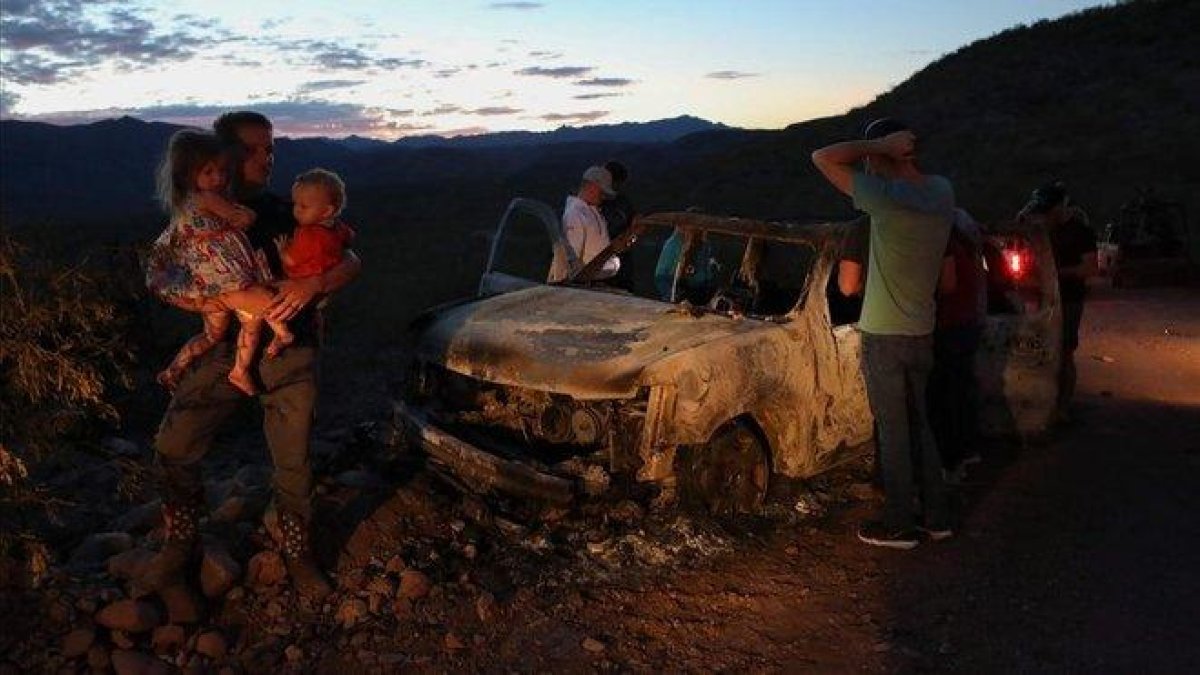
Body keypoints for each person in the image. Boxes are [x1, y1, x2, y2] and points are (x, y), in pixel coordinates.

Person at [140, 111, 361, 601]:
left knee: (294, 459)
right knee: (175, 445)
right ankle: (180, 545)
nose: (267, 158)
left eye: (271, 150)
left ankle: (298, 552)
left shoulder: (290, 210)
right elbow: (159, 274)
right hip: (226, 351)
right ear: (222, 158)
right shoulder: (197, 216)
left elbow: (351, 259)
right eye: (255, 150)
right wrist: (207, 302)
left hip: (290, 349)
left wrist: (315, 283)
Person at [811, 117, 956, 549]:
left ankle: (898, 522)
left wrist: (877, 145)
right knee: (921, 423)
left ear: (882, 158)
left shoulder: (886, 201)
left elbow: (821, 157)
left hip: (884, 333)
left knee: (892, 428)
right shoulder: (942, 191)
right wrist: (890, 150)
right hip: (921, 329)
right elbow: (947, 282)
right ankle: (937, 515)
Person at [145, 129, 293, 397]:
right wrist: (244, 212)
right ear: (188, 174)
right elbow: (241, 219)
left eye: (222, 171)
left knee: (212, 335)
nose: (218, 178)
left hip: (208, 280)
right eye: (209, 172)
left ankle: (174, 369)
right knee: (253, 315)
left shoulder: (187, 201)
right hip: (225, 274)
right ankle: (250, 361)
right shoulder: (206, 197)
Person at [1019, 181, 1097, 421]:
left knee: (1064, 351)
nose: (1046, 216)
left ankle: (1062, 406)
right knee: (1042, 350)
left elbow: (1089, 268)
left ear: (1061, 208)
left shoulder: (1080, 231)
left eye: (1049, 211)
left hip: (1069, 298)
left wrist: (1055, 274)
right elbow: (1020, 221)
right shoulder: (1043, 228)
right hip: (1043, 297)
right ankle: (1046, 401)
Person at [929, 208, 987, 480]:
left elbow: (947, 286)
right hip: (967, 324)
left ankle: (951, 463)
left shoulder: (946, 245)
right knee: (962, 392)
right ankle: (967, 451)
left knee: (946, 398)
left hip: (949, 327)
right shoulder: (968, 246)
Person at [547, 165, 620, 283]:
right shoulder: (575, 214)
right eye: (602, 192)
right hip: (586, 285)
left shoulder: (593, 209)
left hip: (597, 280)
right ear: (592, 187)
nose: (604, 197)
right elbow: (572, 263)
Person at [601, 160, 637, 290]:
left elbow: (634, 225)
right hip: (599, 264)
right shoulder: (592, 202)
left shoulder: (622, 202)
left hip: (621, 265)